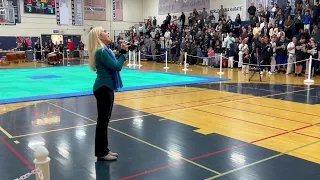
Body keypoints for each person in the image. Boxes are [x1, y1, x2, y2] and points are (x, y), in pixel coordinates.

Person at [88, 26, 129, 161]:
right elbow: (117, 66)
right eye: (104, 32)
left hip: (105, 87)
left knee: (104, 121)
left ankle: (104, 150)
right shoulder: (101, 52)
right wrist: (123, 52)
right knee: (103, 122)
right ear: (100, 37)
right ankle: (101, 152)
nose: (107, 33)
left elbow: (113, 64)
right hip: (104, 88)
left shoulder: (104, 51)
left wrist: (121, 53)